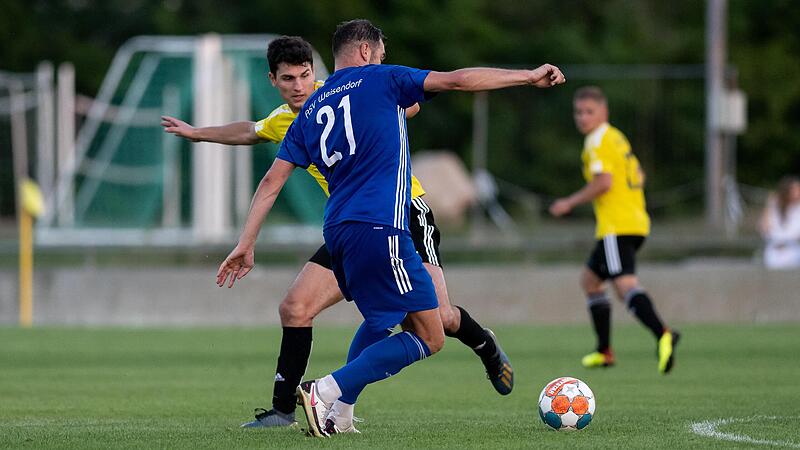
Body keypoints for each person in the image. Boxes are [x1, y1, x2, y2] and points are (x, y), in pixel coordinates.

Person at [216, 19, 565, 437]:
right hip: (384, 225)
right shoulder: (383, 79)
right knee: (431, 333)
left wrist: (245, 243)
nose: (383, 59)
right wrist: (526, 76)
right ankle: (326, 391)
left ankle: (341, 413)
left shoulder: (310, 108)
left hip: (340, 232)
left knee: (389, 319)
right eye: (380, 53)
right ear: (366, 52)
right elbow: (456, 81)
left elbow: (271, 181)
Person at [549, 86, 679, 375]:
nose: (582, 117)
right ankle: (604, 351)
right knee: (590, 281)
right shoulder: (616, 137)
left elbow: (604, 182)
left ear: (603, 112)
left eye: (589, 112)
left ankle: (663, 333)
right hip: (635, 221)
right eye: (578, 112)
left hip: (616, 226)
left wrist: (569, 202)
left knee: (624, 286)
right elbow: (638, 174)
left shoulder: (597, 141)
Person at [759, 175, 800, 269]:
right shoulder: (775, 206)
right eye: (795, 189)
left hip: (793, 252)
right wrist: (768, 205)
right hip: (773, 253)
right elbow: (765, 229)